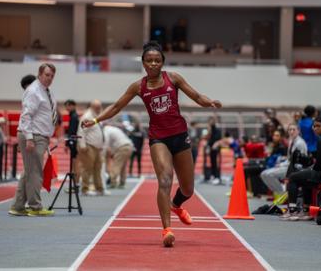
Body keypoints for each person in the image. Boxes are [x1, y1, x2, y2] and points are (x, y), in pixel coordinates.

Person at [82, 41, 222, 247]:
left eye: (157, 60)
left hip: (180, 136)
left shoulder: (173, 78)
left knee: (188, 189)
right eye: (149, 60)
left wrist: (209, 102)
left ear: (162, 62)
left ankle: (177, 205)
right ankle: (167, 230)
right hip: (159, 138)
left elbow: (197, 96)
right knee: (165, 180)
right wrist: (95, 120)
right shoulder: (138, 86)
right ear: (144, 63)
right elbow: (117, 106)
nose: (154, 63)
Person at [9, 63, 58, 217]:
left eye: (52, 76)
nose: (49, 78)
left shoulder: (44, 91)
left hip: (39, 135)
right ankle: (35, 207)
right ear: (39, 74)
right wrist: (29, 138)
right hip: (34, 136)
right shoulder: (34, 91)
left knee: (29, 171)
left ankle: (17, 206)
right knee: (35, 172)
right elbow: (26, 116)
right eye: (47, 75)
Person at [260, 124, 307, 198]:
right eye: (290, 130)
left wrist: (283, 165)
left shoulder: (300, 143)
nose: (291, 131)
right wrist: (281, 164)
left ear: (298, 131)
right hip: (288, 166)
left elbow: (299, 161)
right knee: (263, 174)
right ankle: (279, 193)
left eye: (294, 129)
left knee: (269, 175)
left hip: (296, 168)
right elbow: (289, 158)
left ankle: (282, 194)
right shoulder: (291, 141)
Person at [77, 100, 105, 196]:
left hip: (97, 147)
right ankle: (84, 189)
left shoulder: (97, 116)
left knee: (98, 168)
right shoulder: (87, 116)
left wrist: (101, 145)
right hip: (89, 146)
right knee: (87, 168)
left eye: (100, 107)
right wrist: (83, 145)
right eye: (97, 107)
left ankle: (99, 189)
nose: (99, 109)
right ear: (92, 107)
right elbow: (81, 131)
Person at [64, 99, 80, 189]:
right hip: (73, 142)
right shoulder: (73, 116)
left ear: (73, 106)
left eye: (68, 106)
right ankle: (76, 184)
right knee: (75, 163)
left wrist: (67, 144)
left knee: (75, 164)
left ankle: (76, 184)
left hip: (74, 143)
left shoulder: (74, 116)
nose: (66, 108)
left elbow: (72, 132)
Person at [206, 116, 222, 184]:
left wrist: (215, 144)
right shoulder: (210, 130)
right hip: (211, 148)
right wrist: (208, 146)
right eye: (209, 121)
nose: (210, 122)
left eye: (211, 121)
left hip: (216, 148)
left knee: (216, 163)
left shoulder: (217, 129)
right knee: (212, 162)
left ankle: (217, 177)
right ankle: (213, 175)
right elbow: (209, 138)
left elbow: (218, 138)